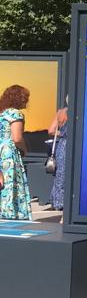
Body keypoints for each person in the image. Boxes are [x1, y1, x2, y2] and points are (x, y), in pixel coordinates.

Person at [0, 84, 31, 220]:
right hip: (8, 153)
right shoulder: (15, 113)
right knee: (10, 183)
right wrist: (25, 150)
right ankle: (11, 214)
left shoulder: (2, 113)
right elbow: (17, 138)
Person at [48, 97, 69, 213]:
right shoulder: (78, 112)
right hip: (72, 144)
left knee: (60, 173)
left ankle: (57, 200)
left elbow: (51, 130)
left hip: (62, 145)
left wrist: (62, 133)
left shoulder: (60, 113)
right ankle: (65, 201)